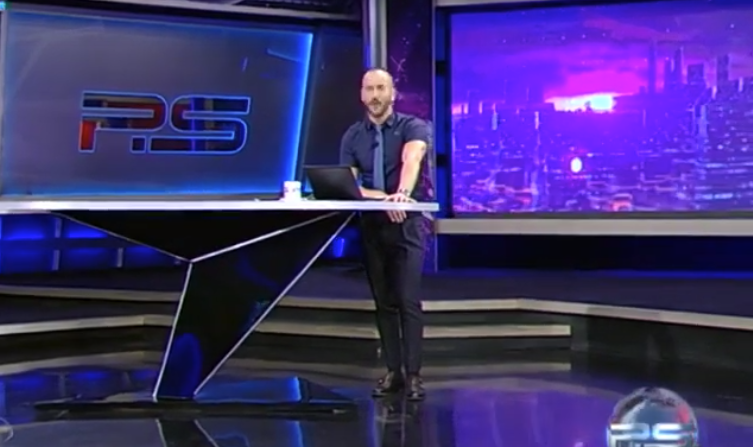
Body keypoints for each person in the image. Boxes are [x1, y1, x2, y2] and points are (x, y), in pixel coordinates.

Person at [339, 68, 432, 401]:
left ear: (393, 93)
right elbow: (349, 185)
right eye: (369, 89)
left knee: (408, 300)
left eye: (381, 88)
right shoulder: (353, 136)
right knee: (384, 302)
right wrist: (384, 199)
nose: (375, 95)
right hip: (372, 225)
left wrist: (401, 196)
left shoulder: (413, 126)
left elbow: (412, 159)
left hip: (407, 224)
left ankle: (414, 375)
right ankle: (393, 371)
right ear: (362, 95)